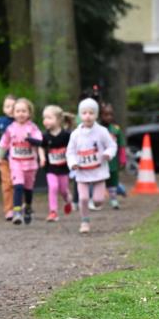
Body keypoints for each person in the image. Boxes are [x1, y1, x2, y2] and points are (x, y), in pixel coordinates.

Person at [67, 98, 118, 234]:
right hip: (82, 172)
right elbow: (70, 152)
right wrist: (72, 163)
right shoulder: (75, 134)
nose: (87, 116)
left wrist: (108, 153)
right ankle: (85, 221)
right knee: (83, 198)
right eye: (84, 113)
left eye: (91, 113)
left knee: (98, 201)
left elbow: (112, 145)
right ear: (79, 115)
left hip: (99, 171)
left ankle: (98, 201)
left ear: (96, 115)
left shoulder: (102, 131)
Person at [0, 98, 43, 226]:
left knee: (28, 189)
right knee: (18, 186)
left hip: (31, 164)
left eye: (24, 111)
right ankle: (17, 212)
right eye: (18, 111)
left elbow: (40, 141)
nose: (21, 114)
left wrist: (31, 139)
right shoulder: (10, 128)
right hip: (16, 163)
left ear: (29, 113)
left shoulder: (32, 128)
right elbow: (3, 144)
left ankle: (27, 206)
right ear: (13, 113)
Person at [40, 105, 74, 222]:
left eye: (49, 118)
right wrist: (42, 157)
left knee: (63, 190)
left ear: (58, 120)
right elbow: (41, 147)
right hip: (51, 168)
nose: (45, 121)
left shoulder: (66, 135)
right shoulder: (45, 136)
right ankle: (53, 212)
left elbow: (73, 147)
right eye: (44, 118)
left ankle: (68, 199)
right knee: (53, 187)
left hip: (63, 168)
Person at [98, 101, 126, 209]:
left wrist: (122, 159)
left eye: (111, 114)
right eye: (106, 114)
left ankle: (113, 198)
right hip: (100, 161)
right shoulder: (97, 129)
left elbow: (121, 145)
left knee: (113, 180)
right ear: (101, 115)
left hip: (113, 161)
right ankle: (96, 200)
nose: (109, 117)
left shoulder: (116, 129)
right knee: (99, 180)